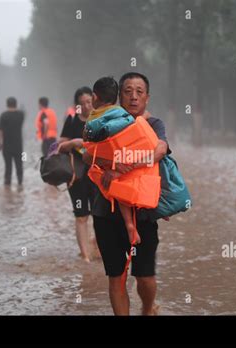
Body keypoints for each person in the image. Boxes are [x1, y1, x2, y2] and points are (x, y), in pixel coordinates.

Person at [83, 72, 169, 315]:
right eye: (128, 91)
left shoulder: (153, 125)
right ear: (119, 96)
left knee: (144, 276)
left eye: (139, 92)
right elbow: (88, 155)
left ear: (147, 97)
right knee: (116, 276)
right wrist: (110, 163)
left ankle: (148, 309)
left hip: (143, 213)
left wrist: (134, 161)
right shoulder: (103, 124)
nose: (133, 96)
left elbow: (161, 149)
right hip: (105, 211)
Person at [58, 87, 99, 263]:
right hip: (77, 176)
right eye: (82, 103)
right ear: (76, 105)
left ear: (94, 101)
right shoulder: (71, 121)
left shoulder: (101, 120)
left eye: (89, 102)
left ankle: (97, 247)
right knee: (81, 215)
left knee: (100, 215)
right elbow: (60, 146)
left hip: (98, 175)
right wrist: (74, 143)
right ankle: (85, 256)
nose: (86, 106)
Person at [0, 97, 25, 189]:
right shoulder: (20, 115)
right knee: (19, 165)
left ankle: (7, 184)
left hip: (7, 145)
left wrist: (0, 143)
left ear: (7, 104)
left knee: (8, 166)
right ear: (16, 104)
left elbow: (0, 130)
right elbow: (23, 114)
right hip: (18, 145)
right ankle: (20, 183)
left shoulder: (3, 115)